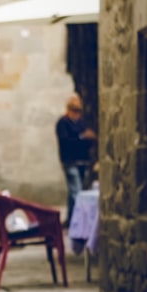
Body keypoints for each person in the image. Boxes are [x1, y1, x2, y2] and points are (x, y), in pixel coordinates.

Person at [55, 93, 97, 226]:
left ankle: (71, 219)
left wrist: (86, 138)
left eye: (78, 111)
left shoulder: (81, 123)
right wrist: (82, 138)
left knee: (74, 192)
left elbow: (87, 141)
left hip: (82, 161)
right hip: (70, 161)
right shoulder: (63, 123)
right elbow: (66, 141)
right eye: (74, 110)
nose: (76, 114)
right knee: (76, 191)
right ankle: (79, 223)